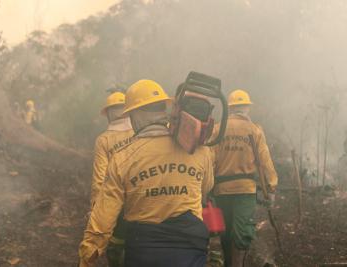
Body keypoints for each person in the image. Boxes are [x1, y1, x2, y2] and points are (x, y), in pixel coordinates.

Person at [79, 79, 214, 267]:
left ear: (135, 115)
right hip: (190, 247)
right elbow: (205, 189)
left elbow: (103, 218)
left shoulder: (122, 158)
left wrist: (88, 254)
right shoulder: (199, 151)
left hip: (144, 248)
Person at [210, 89, 278, 267]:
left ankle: (228, 263)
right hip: (245, 191)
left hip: (221, 190)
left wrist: (205, 187)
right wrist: (271, 187)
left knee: (225, 231)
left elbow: (209, 160)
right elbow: (265, 161)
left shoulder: (218, 129)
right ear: (247, 108)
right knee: (241, 233)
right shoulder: (254, 130)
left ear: (230, 109)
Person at [91, 91, 134, 267]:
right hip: (142, 195)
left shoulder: (104, 140)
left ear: (108, 114)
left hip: (116, 198)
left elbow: (99, 177)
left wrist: (96, 207)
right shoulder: (141, 131)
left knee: (117, 240)